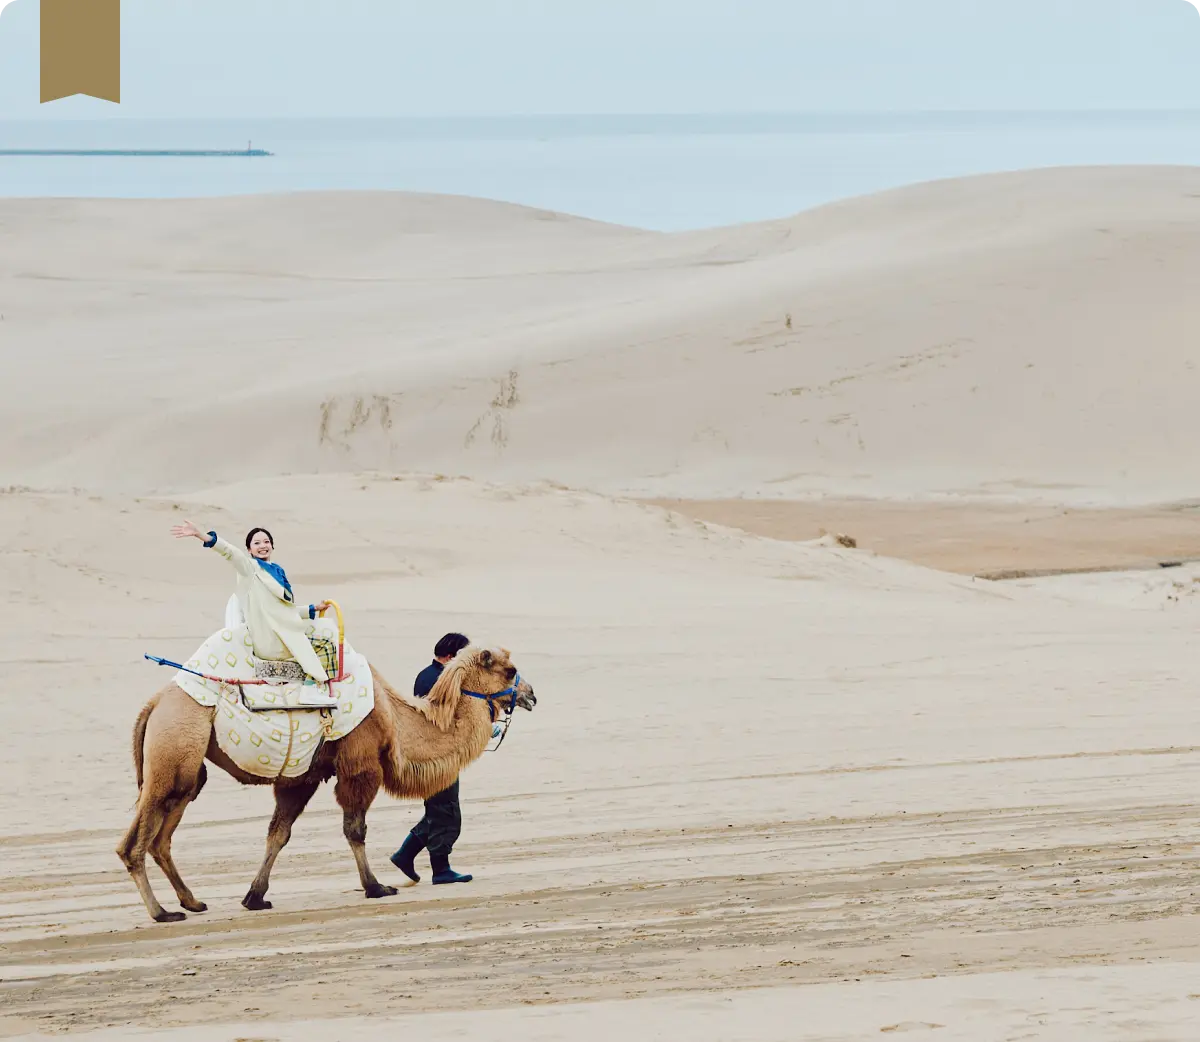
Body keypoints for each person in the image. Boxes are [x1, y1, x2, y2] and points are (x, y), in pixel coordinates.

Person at [171, 520, 331, 683]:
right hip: (270, 638)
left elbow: (281, 611)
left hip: (281, 631)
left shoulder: (277, 571)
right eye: (257, 543)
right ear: (249, 549)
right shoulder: (250, 569)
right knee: (326, 644)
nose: (263, 545)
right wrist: (201, 535)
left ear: (272, 546)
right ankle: (312, 687)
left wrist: (313, 608)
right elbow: (231, 553)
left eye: (266, 542)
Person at [390, 632, 474, 885]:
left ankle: (405, 855)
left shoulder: (426, 675)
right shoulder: (440, 680)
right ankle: (441, 870)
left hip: (429, 755)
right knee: (447, 813)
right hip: (437, 757)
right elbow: (442, 720)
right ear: (452, 657)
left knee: (438, 810)